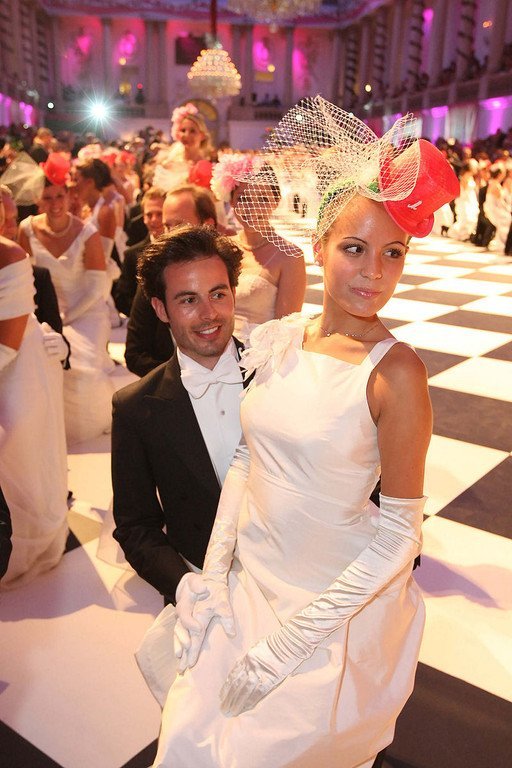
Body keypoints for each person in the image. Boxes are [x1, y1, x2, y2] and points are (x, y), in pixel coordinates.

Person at [137, 98, 459, 768]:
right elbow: (247, 457)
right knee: (190, 738)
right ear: (318, 247)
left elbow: (400, 534)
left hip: (329, 606)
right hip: (249, 583)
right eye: (354, 248)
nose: (374, 273)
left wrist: (288, 646)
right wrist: (213, 578)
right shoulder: (283, 338)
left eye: (392, 253)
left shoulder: (396, 374)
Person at [112, 225, 245, 604]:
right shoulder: (135, 407)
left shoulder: (278, 371)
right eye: (188, 300)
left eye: (217, 294)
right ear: (160, 309)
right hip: (203, 586)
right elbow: (136, 526)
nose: (208, 313)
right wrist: (183, 585)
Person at [18, 153, 115, 445]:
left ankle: (91, 422)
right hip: (48, 313)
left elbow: (96, 287)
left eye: (59, 196)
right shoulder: (27, 229)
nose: (55, 204)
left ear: (69, 195)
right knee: (39, 361)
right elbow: (28, 279)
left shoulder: (87, 232)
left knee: (83, 368)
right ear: (38, 200)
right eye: (47, 198)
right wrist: (48, 317)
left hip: (87, 312)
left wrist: (67, 317)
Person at [0, 192, 68, 587]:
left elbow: (8, 345)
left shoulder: (14, 260)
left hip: (17, 369)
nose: (9, 224)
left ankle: (19, 546)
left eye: (12, 216)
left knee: (17, 453)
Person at [211, 152, 306, 342]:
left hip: (259, 352)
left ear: (276, 201)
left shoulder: (290, 255)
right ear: (231, 202)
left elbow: (285, 329)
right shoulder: (221, 248)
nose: (252, 208)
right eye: (243, 199)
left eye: (262, 199)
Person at [124, 184, 217, 377]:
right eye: (167, 226)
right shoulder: (153, 279)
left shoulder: (233, 271)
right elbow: (135, 354)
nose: (170, 235)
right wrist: (181, 380)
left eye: (180, 226)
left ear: (207, 225)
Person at [113, 186, 166, 317]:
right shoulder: (131, 255)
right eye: (149, 215)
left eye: (159, 214)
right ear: (143, 218)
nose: (154, 219)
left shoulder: (184, 248)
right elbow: (122, 298)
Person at [153, 103, 214, 193]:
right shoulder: (169, 162)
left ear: (202, 135)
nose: (186, 135)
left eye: (192, 131)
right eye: (183, 130)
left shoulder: (205, 166)